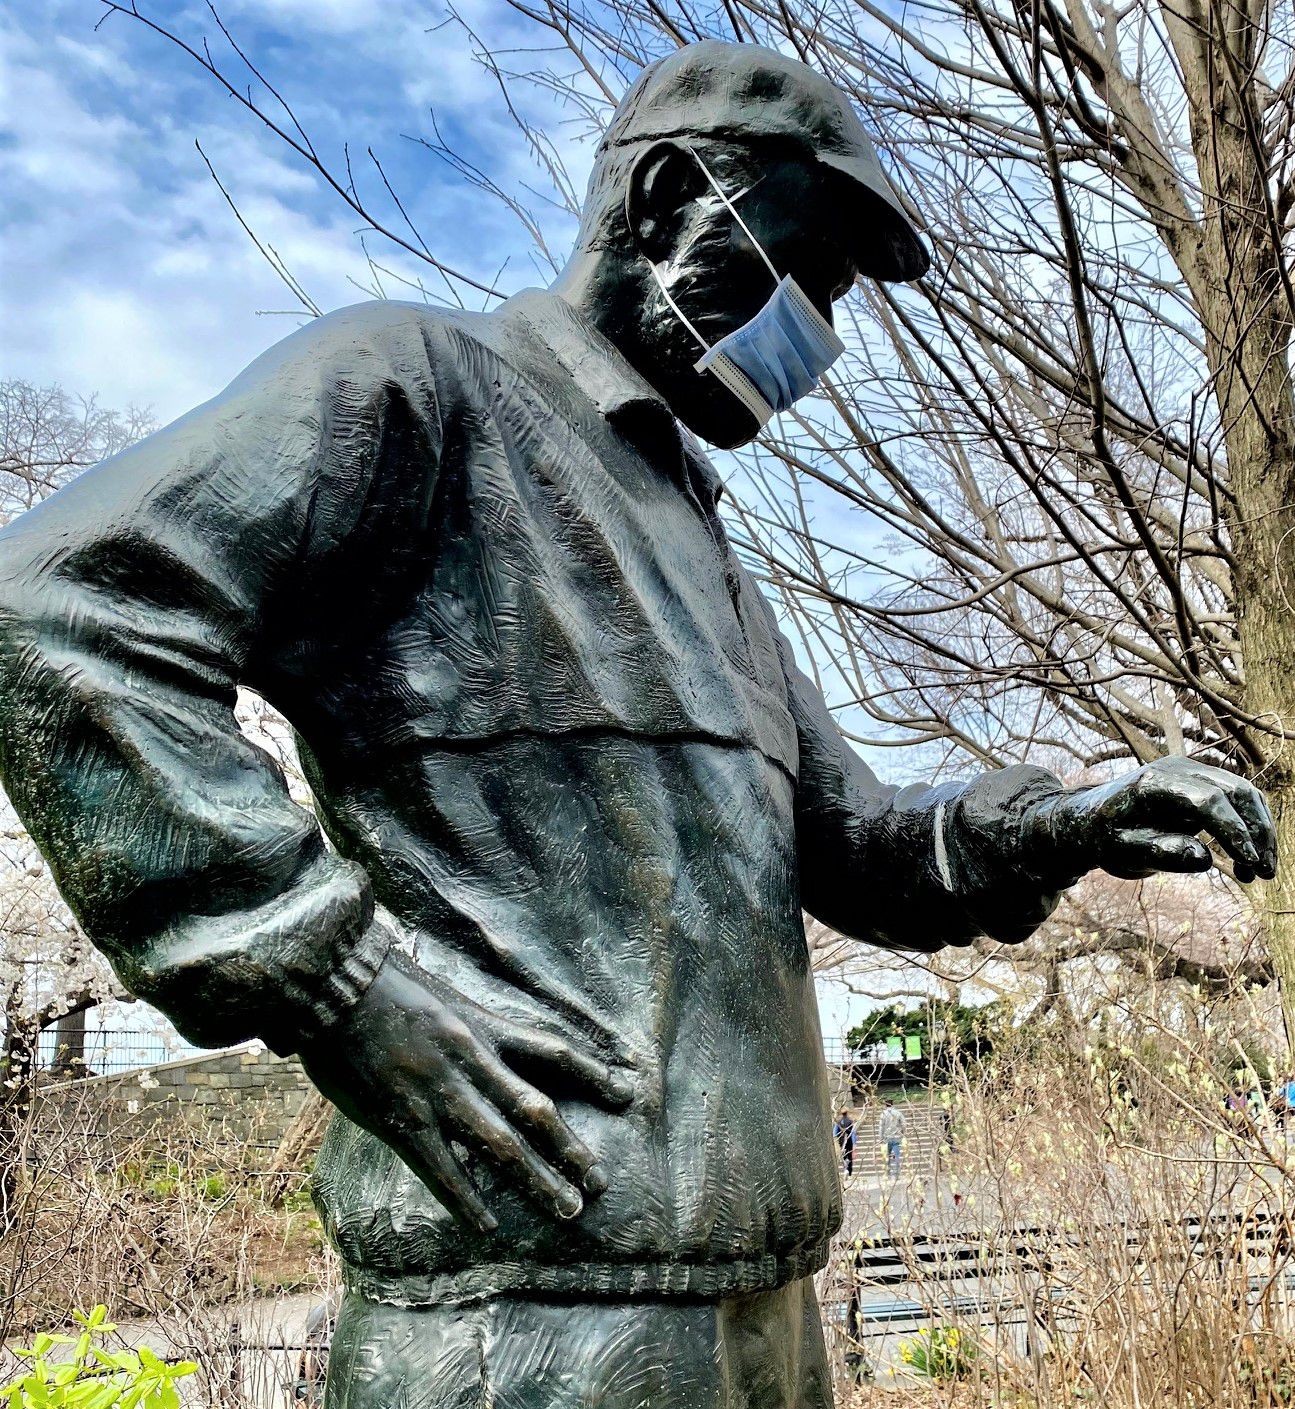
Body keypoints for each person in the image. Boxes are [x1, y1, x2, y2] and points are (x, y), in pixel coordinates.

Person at [0, 39, 1276, 1409]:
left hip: (762, 1297)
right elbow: (61, 613)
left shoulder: (709, 552)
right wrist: (343, 984)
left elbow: (852, 842)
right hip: (526, 1313)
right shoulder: (420, 389)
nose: (814, 332)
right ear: (665, 199)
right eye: (802, 271)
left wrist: (1061, 821)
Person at [879, 1101, 905, 1179]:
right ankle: (897, 1174)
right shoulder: (898, 1113)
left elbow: (881, 1127)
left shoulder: (883, 1114)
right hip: (896, 1137)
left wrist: (880, 1138)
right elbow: (904, 1124)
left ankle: (887, 1173)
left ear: (885, 1105)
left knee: (887, 1156)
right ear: (892, 1104)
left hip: (886, 1138)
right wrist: (903, 1133)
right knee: (897, 1156)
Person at [833, 1109, 856, 1177]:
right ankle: (849, 1172)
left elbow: (835, 1133)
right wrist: (854, 1142)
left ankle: (845, 1169)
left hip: (842, 1141)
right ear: (847, 1113)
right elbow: (853, 1133)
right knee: (849, 1156)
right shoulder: (850, 1121)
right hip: (849, 1141)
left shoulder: (839, 1122)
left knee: (844, 1155)